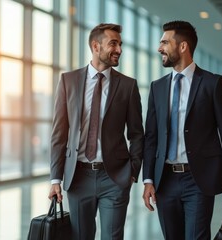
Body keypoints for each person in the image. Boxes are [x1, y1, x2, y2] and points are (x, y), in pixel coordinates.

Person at [142, 20, 222, 240]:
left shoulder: (212, 84)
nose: (160, 48)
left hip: (198, 180)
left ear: (183, 46)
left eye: (165, 42)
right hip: (164, 180)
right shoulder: (157, 87)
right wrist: (148, 179)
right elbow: (151, 137)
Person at [48, 23, 144, 240]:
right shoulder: (68, 81)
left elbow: (137, 133)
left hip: (115, 178)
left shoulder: (128, 86)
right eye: (113, 43)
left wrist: (132, 171)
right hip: (78, 177)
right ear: (95, 46)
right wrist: (55, 179)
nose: (119, 49)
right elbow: (59, 133)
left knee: (112, 237)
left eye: (120, 44)